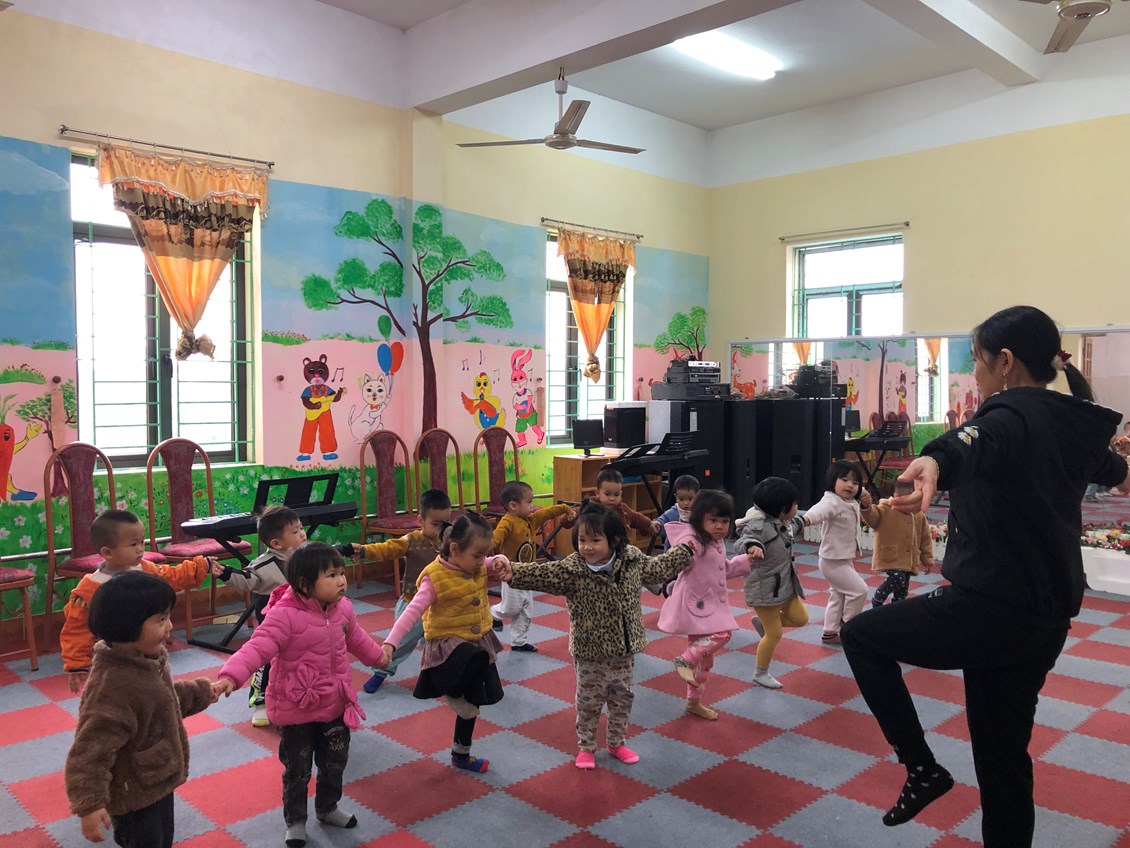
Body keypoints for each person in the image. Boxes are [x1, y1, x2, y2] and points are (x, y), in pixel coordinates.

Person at [841, 305, 1130, 847]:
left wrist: (934, 460)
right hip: (1045, 617)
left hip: (989, 609)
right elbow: (1119, 475)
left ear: (1005, 361)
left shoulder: (1008, 415)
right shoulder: (1073, 422)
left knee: (860, 636)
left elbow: (974, 441)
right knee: (1003, 759)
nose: (975, 372)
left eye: (977, 360)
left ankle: (921, 768)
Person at [213, 543, 386, 848]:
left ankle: (327, 807)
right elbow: (258, 647)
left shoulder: (343, 608)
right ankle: (295, 821)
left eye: (342, 573)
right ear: (305, 584)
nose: (341, 581)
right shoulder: (284, 615)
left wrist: (379, 658)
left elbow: (357, 639)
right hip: (295, 709)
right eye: (331, 575)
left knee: (335, 763)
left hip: (334, 703)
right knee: (297, 770)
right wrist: (231, 675)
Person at [506, 502, 693, 768]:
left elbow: (658, 568)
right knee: (589, 702)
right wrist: (512, 571)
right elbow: (542, 574)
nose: (587, 547)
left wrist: (684, 551)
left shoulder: (631, 560)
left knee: (622, 699)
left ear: (614, 540)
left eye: (595, 540)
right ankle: (586, 746)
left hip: (623, 650)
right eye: (582, 540)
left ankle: (616, 743)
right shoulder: (573, 570)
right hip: (590, 652)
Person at [65, 571, 218, 848]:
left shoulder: (146, 658)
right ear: (128, 624)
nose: (170, 626)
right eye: (161, 620)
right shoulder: (111, 688)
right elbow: (89, 752)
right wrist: (89, 804)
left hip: (156, 777)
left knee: (163, 838)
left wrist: (202, 692)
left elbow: (162, 701)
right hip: (132, 792)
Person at [381, 513, 513, 774]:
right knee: (471, 657)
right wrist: (390, 644)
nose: (481, 561)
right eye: (477, 555)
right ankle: (451, 690)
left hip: (476, 639)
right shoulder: (435, 578)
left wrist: (500, 560)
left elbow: (493, 562)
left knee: (471, 708)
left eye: (484, 555)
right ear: (454, 549)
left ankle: (460, 754)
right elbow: (411, 613)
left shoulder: (474, 564)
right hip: (449, 643)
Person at [61, 509, 212, 695]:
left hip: (149, 649)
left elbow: (173, 576)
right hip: (115, 656)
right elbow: (76, 628)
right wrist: (77, 664)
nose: (140, 549)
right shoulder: (90, 587)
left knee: (157, 690)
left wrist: (201, 566)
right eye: (133, 544)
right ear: (107, 552)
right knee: (118, 695)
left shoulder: (147, 570)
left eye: (142, 542)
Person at [341, 488, 453, 692]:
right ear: (420, 521)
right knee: (401, 640)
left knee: (443, 640)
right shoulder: (411, 541)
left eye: (446, 524)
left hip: (440, 604)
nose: (441, 529)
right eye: (435, 524)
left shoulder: (450, 542)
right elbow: (387, 549)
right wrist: (364, 551)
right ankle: (381, 671)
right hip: (413, 601)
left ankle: (437, 672)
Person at [658, 489, 751, 720]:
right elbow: (685, 549)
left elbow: (722, 568)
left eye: (725, 521)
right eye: (713, 520)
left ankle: (693, 702)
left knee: (705, 660)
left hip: (706, 606)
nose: (719, 526)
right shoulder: (695, 541)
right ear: (699, 519)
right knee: (723, 633)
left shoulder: (714, 542)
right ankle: (684, 659)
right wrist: (684, 549)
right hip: (698, 605)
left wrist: (747, 561)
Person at [210, 505, 306, 726]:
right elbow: (247, 579)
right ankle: (260, 701)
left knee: (297, 657)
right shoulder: (264, 564)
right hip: (271, 617)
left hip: (300, 617)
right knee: (268, 657)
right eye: (295, 531)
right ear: (276, 543)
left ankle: (295, 693)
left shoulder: (306, 556)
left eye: (302, 528)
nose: (302, 534)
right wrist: (225, 572)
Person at [734, 477, 808, 689]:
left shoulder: (781, 521)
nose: (797, 507)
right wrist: (752, 546)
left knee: (801, 618)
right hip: (764, 590)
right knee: (774, 634)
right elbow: (744, 539)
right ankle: (760, 673)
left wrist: (807, 519)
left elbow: (794, 524)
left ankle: (762, 623)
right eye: (794, 504)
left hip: (784, 585)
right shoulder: (758, 526)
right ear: (782, 509)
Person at [489, 480, 576, 652]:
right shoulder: (507, 522)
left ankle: (518, 642)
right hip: (511, 573)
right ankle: (492, 613)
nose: (532, 506)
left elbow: (548, 512)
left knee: (526, 610)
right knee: (511, 608)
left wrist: (565, 508)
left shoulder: (531, 520)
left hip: (528, 574)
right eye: (529, 502)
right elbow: (496, 538)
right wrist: (488, 551)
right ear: (513, 505)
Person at [802, 460, 872, 645]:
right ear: (832, 480)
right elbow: (818, 511)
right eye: (844, 479)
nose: (850, 485)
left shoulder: (848, 500)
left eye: (855, 482)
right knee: (859, 590)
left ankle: (830, 632)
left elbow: (863, 496)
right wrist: (805, 519)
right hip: (832, 561)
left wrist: (865, 497)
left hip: (842, 558)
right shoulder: (831, 501)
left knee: (838, 594)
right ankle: (848, 624)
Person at [861, 480, 933, 607]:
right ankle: (878, 597)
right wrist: (866, 507)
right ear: (893, 496)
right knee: (898, 578)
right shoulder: (885, 509)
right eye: (899, 499)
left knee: (902, 589)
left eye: (908, 499)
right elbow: (872, 517)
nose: (903, 503)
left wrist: (927, 559)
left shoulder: (918, 515)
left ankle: (896, 609)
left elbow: (925, 538)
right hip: (891, 556)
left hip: (909, 559)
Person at [592, 467, 657, 540]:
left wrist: (649, 524)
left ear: (621, 494)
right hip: (597, 545)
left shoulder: (623, 509)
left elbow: (636, 517)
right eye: (607, 494)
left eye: (616, 495)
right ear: (597, 493)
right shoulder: (590, 507)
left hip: (620, 544)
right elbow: (581, 512)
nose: (612, 498)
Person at [650, 473, 699, 551]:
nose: (686, 503)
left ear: (697, 496)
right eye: (681, 499)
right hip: (673, 552)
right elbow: (662, 522)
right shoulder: (672, 513)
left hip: (695, 550)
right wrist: (657, 525)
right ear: (676, 497)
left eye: (690, 499)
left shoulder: (700, 512)